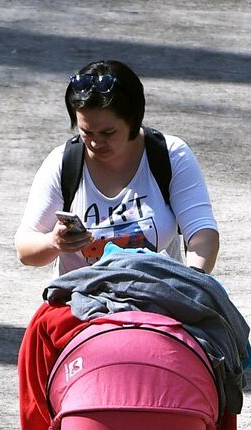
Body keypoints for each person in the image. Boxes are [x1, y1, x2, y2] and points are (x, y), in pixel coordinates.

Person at [15, 61, 220, 274]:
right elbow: (25, 249)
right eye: (87, 132)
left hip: (156, 294)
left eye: (108, 133)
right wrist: (53, 243)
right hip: (81, 297)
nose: (95, 143)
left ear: (133, 120)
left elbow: (202, 232)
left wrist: (194, 281)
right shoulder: (62, 163)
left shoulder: (169, 155)